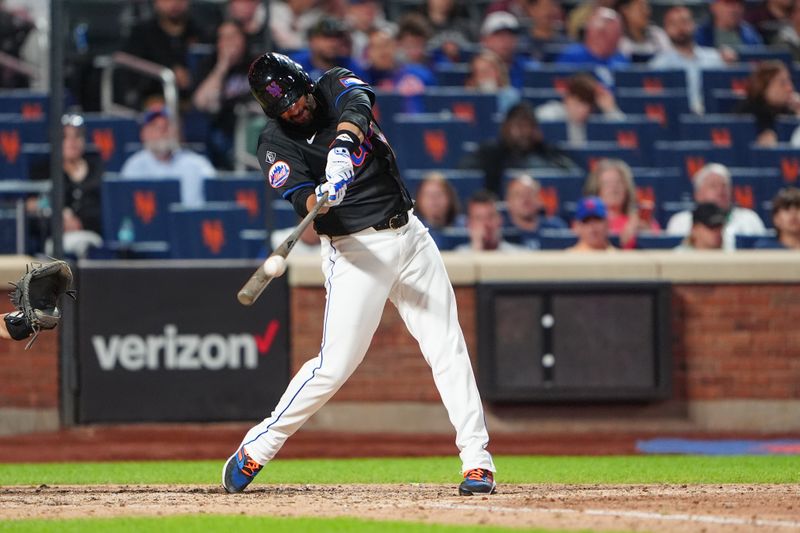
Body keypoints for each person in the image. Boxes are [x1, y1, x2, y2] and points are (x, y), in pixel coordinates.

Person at [222, 52, 496, 496]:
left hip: (410, 233)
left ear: (303, 83)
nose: (294, 109)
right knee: (334, 367)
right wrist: (321, 198)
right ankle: (259, 445)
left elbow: (359, 102)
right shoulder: (273, 143)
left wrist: (342, 150)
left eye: (294, 98)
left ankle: (477, 462)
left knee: (448, 346)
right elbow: (300, 200)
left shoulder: (331, 84)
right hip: (355, 250)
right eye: (282, 107)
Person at [459, 101, 580, 195]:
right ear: (506, 127)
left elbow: (573, 172)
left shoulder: (547, 152)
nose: (525, 132)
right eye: (519, 126)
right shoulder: (490, 152)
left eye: (530, 126)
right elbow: (465, 170)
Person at [28, 114, 104, 258]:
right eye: (65, 137)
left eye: (77, 136)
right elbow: (32, 204)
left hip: (91, 235)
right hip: (55, 238)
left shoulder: (97, 170)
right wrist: (59, 215)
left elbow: (102, 208)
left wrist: (80, 222)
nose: (72, 142)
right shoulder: (44, 170)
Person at [121, 0, 212, 108]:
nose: (174, 4)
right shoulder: (141, 34)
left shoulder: (201, 33)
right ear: (156, 3)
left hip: (195, 100)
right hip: (152, 100)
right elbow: (130, 73)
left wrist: (192, 77)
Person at [120, 107, 216, 208]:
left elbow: (215, 199)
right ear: (143, 134)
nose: (162, 131)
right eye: (155, 127)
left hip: (191, 222)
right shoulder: (134, 166)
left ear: (177, 131)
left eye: (167, 126)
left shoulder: (198, 164)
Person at [192, 20, 253, 169]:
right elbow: (201, 102)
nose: (228, 42)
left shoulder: (255, 63)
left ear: (243, 39)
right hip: (222, 126)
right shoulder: (208, 64)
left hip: (251, 123)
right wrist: (223, 65)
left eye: (233, 36)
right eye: (223, 38)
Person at [666, 163, 766, 250]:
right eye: (713, 186)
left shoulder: (750, 219)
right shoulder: (680, 221)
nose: (720, 191)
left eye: (724, 185)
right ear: (698, 194)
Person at [649, 6, 726, 114]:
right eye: (673, 24)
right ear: (666, 29)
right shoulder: (659, 65)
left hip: (712, 116)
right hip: (676, 120)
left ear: (694, 25)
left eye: (684, 22)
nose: (680, 28)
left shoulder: (714, 58)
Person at [582, 158, 660, 249]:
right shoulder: (588, 222)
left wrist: (646, 233)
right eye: (607, 184)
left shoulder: (639, 220)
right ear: (597, 189)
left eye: (618, 183)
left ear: (627, 188)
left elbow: (658, 247)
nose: (614, 189)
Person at [535, 72, 625, 144]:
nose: (584, 110)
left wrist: (610, 109)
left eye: (589, 105)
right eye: (579, 103)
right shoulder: (550, 113)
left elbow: (625, 133)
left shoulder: (595, 119)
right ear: (567, 98)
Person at [555, 7, 630, 85]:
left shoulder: (621, 60)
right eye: (604, 32)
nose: (615, 38)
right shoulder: (571, 56)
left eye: (617, 33)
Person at [736, 60, 800, 146]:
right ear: (764, 86)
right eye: (782, 83)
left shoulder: (789, 111)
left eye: (790, 81)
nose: (790, 88)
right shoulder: (746, 113)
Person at [290, 17, 364, 82]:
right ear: (312, 40)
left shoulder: (349, 66)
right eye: (326, 37)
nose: (333, 43)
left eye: (337, 37)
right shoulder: (295, 64)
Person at [504, 174, 567, 249]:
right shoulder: (502, 232)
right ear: (509, 201)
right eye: (519, 195)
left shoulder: (556, 229)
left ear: (540, 199)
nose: (525, 200)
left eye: (530, 194)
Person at [479, 11, 537, 89]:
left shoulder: (530, 68)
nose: (506, 40)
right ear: (484, 40)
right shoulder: (476, 70)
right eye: (499, 35)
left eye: (510, 35)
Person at [455, 190, 526, 252]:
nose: (486, 224)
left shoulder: (519, 255)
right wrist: (477, 248)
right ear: (469, 224)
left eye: (490, 216)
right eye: (479, 218)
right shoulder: (457, 257)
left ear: (500, 220)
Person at [463, 50, 521, 115]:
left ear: (498, 72)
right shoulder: (469, 96)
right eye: (478, 73)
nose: (482, 76)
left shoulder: (511, 95)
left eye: (486, 71)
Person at [695, 0, 764, 49]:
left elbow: (760, 61)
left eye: (739, 4)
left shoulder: (751, 34)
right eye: (728, 3)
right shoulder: (700, 34)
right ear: (714, 7)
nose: (735, 9)